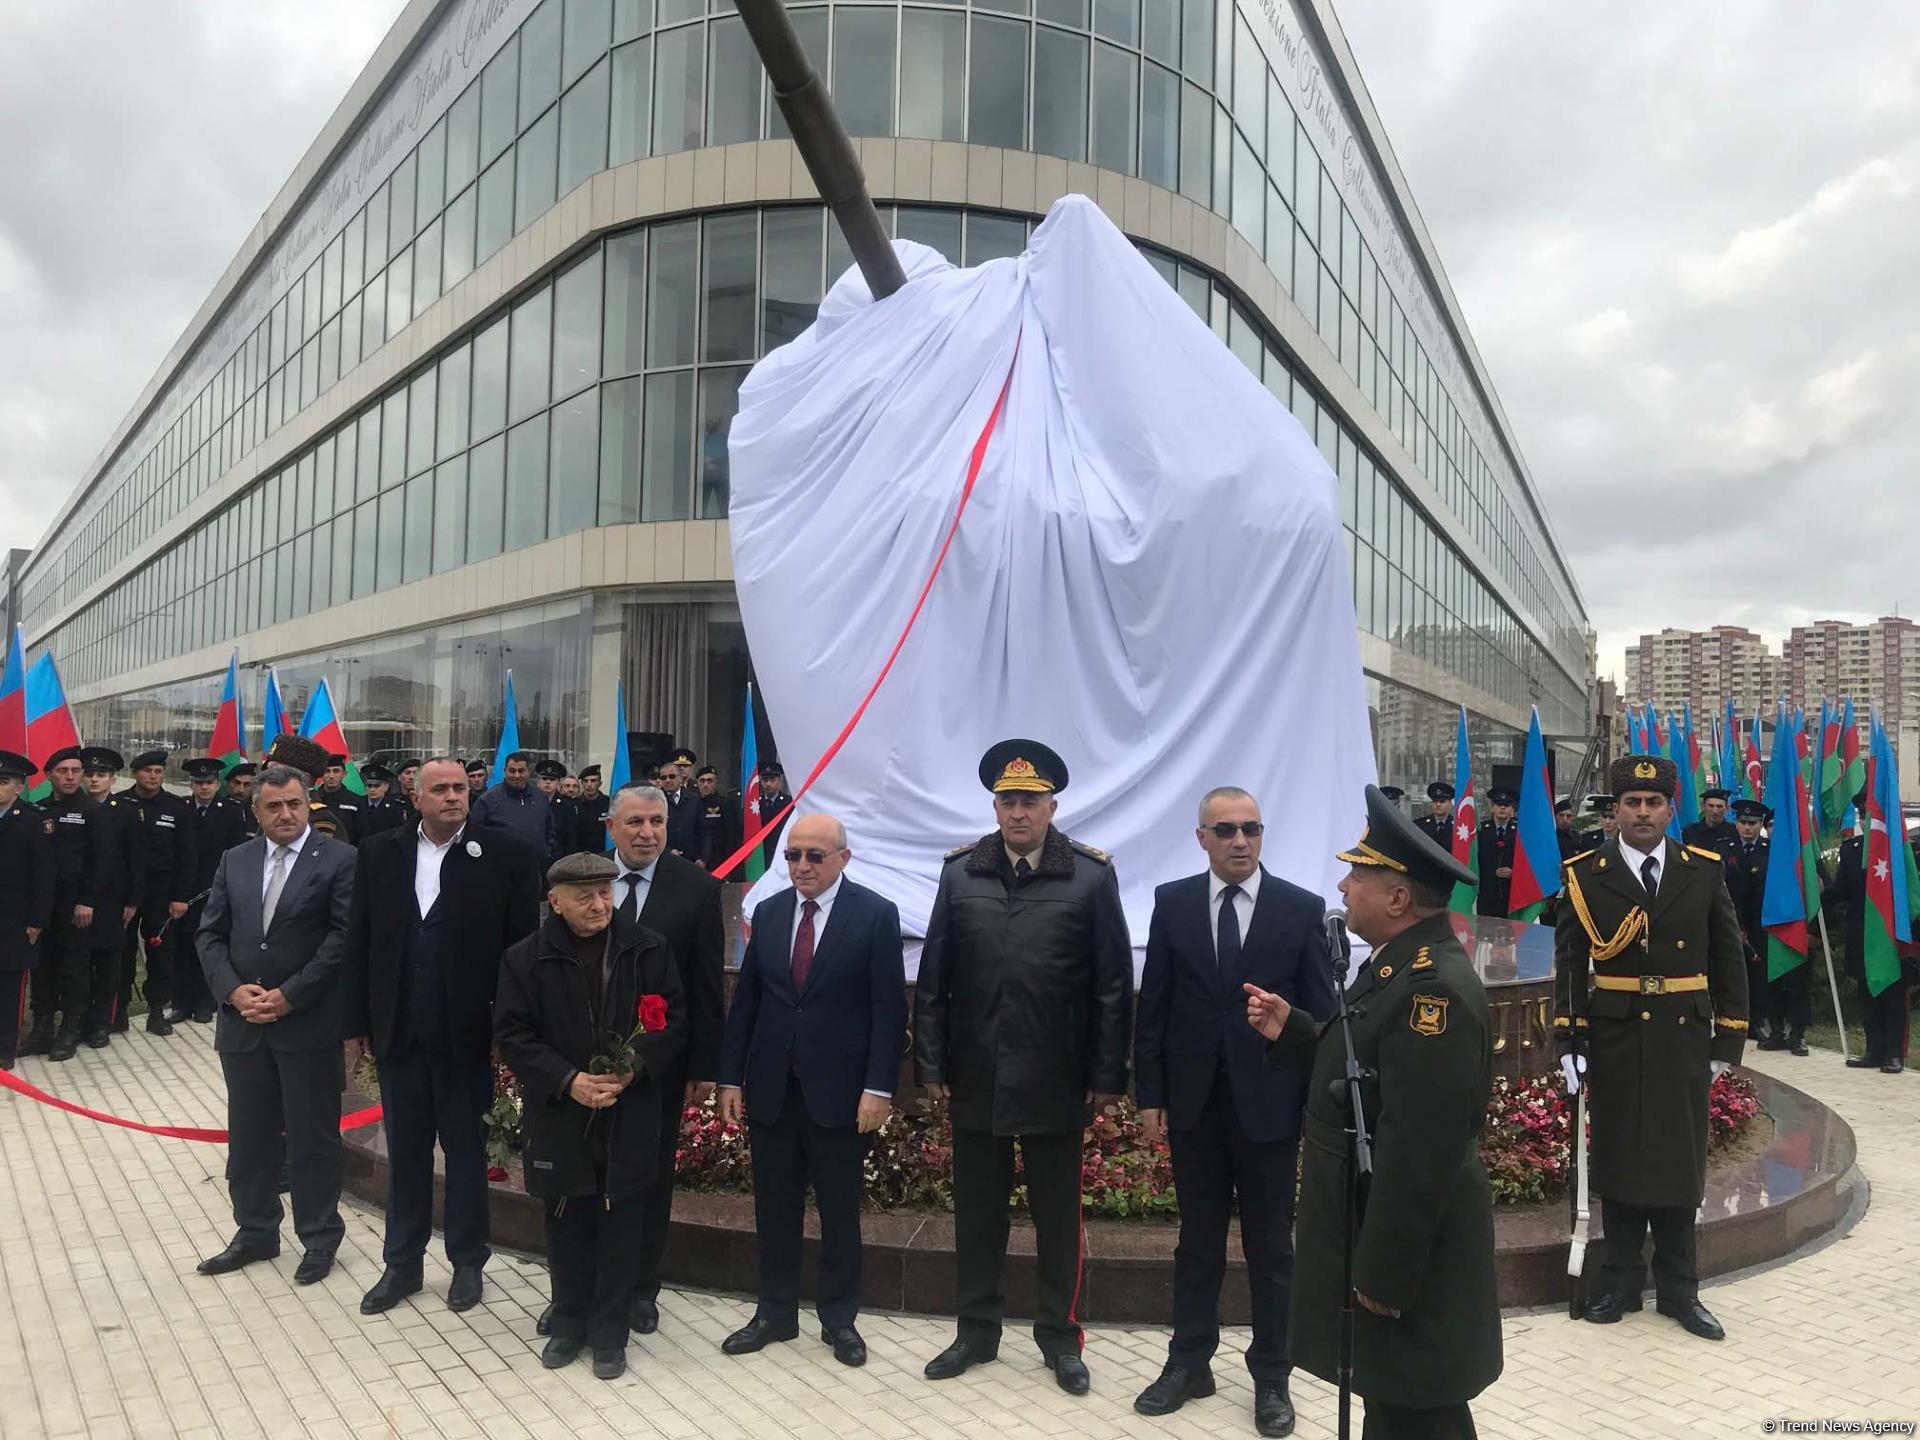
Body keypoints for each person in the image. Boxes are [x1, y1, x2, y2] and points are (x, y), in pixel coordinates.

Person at [1245, 783, 1501, 1440]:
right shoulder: (1397, 967)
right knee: (1395, 1406)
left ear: (1396, 897)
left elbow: (1422, 1145)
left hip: (1409, 1265)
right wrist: (1297, 1031)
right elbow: (1367, 1072)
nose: (1343, 885)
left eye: (1358, 872)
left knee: (1420, 1410)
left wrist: (1383, 1274)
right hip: (1384, 1245)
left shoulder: (1432, 992)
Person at [914, 740, 1133, 1396]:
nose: (1018, 813)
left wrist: (1105, 1078)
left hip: (1054, 1076)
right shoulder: (961, 874)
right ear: (995, 806)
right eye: (1008, 801)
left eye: (1030, 802)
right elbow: (934, 979)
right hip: (977, 1071)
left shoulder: (1090, 877)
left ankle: (1060, 1339)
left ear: (1052, 807)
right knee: (978, 1213)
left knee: (1056, 1218)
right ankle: (976, 1331)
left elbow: (1112, 986)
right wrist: (930, 1063)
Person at [1132, 787, 1333, 1436]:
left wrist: (1309, 1098)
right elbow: (1154, 1006)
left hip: (1270, 1108)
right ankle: (1189, 1361)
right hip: (1194, 1106)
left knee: (1272, 1249)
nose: (1239, 840)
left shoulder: (1299, 910)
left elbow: (1323, 1018)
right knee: (1197, 1244)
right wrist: (1151, 1096)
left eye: (1249, 828)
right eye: (1225, 830)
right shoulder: (1173, 903)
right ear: (1202, 839)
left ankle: (1272, 1377)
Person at [1555, 754, 1747, 1340]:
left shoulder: (1704, 869)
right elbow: (1570, 961)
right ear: (1615, 811)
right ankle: (1618, 1282)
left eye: (1653, 802)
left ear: (1670, 809)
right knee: (1619, 1152)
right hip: (1614, 1033)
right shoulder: (1587, 872)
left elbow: (1728, 954)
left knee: (1677, 1157)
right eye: (1632, 803)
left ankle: (1680, 1290)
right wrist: (1569, 1036)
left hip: (1682, 1033)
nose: (1643, 812)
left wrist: (1727, 1042)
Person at [342, 757, 540, 1315]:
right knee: (404, 1152)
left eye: (460, 787)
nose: (454, 796)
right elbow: (360, 942)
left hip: (468, 1036)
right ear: (416, 797)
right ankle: (401, 1265)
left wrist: (511, 1029)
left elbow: (522, 953)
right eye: (441, 789)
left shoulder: (506, 857)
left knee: (466, 1152)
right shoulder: (381, 854)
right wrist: (357, 1025)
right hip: (400, 1033)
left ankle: (468, 1263)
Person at [716, 813, 907, 1367]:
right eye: (794, 855)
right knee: (773, 1209)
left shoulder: (874, 915)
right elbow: (747, 1003)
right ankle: (774, 1313)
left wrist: (878, 1088)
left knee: (839, 1211)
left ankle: (839, 1318)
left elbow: (887, 1012)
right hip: (774, 1090)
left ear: (843, 859)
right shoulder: (770, 913)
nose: (801, 866)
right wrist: (731, 1077)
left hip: (842, 1097)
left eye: (814, 856)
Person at [493, 852, 688, 1380]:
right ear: (555, 902)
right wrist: (569, 1081)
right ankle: (569, 1322)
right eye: (585, 896)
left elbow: (672, 1022)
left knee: (623, 1223)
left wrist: (633, 1070)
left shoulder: (649, 949)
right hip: (560, 1113)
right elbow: (513, 1034)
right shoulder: (524, 958)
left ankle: (610, 1335)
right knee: (567, 1223)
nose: (599, 904)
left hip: (628, 1112)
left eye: (605, 892)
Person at [194, 761, 357, 1285]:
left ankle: (318, 1236)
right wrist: (231, 990)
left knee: (312, 1140)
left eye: (293, 804)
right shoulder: (234, 860)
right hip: (243, 1023)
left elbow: (343, 939)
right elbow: (210, 935)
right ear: (256, 811)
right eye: (273, 806)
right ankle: (255, 1231)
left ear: (308, 804)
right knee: (249, 1138)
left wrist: (290, 995)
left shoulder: (341, 860)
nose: (285, 814)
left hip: (305, 1024)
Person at [601, 783, 726, 1336]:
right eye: (634, 823)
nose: (647, 832)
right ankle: (578, 1284)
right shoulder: (581, 877)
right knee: (585, 1172)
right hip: (586, 1064)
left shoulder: (697, 889)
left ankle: (641, 1287)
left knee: (650, 1175)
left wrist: (703, 1066)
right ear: (611, 827)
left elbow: (705, 987)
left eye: (657, 822)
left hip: (660, 1064)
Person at [22, 747, 116, 1061]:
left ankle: (70, 1030)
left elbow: (103, 862)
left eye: (77, 771)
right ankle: (42, 1029)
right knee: (42, 966)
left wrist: (87, 900)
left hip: (76, 906)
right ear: (49, 774)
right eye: (63, 771)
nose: (71, 776)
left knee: (74, 968)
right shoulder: (38, 809)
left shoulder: (93, 811)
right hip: (43, 906)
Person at [1824, 795, 1910, 1074]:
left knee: (1893, 997)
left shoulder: (1897, 850)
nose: (1866, 820)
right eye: (1863, 815)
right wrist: (1821, 891)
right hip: (1861, 934)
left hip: (1889, 935)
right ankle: (1874, 1050)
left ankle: (1894, 1054)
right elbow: (1843, 892)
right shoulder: (1851, 850)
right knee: (1868, 994)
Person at [118, 748, 198, 1038]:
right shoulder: (120, 804)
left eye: (158, 771)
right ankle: (118, 1011)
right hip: (125, 891)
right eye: (147, 771)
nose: (153, 776)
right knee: (122, 951)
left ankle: (156, 1011)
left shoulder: (177, 808)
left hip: (162, 892)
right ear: (135, 773)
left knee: (161, 952)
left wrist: (181, 896)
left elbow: (188, 856)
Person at [177, 757, 251, 1025]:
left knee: (210, 946)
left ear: (217, 784)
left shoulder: (231, 811)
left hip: (216, 889)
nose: (204, 788)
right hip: (185, 890)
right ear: (191, 785)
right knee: (183, 947)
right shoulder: (182, 808)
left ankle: (205, 1002)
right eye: (199, 783)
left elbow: (236, 852)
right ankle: (181, 1002)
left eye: (209, 782)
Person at [80, 747, 143, 1042]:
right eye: (89, 774)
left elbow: (135, 860)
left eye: (101, 775)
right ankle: (79, 1019)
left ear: (112, 778)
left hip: (113, 901)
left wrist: (132, 900)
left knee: (108, 964)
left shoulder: (127, 812)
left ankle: (103, 1021)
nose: (94, 780)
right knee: (79, 964)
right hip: (78, 899)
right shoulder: (74, 808)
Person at [0, 750, 54, 1070]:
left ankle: (6, 1048)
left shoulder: (34, 821)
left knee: (8, 989)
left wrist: (37, 920)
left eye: (4, 782)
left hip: (15, 920)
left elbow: (44, 875)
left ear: (19, 787)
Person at [1722, 800, 1784, 1051]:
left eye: (1754, 823)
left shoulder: (1770, 850)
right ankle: (1731, 1020)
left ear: (1760, 825)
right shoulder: (1723, 849)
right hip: (1728, 921)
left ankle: (1757, 1021)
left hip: (1762, 923)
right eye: (1744, 823)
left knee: (1759, 976)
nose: (1748, 828)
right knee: (1732, 974)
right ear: (1736, 824)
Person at [471, 752, 557, 865]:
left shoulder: (540, 797)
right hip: (500, 869)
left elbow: (550, 828)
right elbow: (474, 834)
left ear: (528, 771)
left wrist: (547, 850)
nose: (516, 775)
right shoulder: (487, 800)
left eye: (521, 771)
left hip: (536, 867)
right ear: (505, 771)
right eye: (512, 771)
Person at [1475, 783, 1518, 917]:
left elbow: (1529, 863)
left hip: (1512, 896)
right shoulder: (1480, 831)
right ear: (1492, 807)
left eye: (1507, 805)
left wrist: (1514, 873)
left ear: (1512, 809)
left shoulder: (1520, 834)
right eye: (1499, 804)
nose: (1502, 808)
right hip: (1486, 895)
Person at [744, 761, 792, 877]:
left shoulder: (788, 803)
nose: (768, 784)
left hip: (780, 853)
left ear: (779, 780)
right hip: (760, 856)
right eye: (765, 780)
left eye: (772, 780)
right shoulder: (754, 804)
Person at [659, 749, 707, 863]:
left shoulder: (694, 799)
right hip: (664, 859)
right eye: (663, 778)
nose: (667, 780)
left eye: (672, 776)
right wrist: (667, 851)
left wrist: (703, 858)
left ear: (681, 778)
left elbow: (704, 832)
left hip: (692, 860)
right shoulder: (656, 800)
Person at [695, 766, 738, 870]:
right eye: (702, 781)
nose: (705, 785)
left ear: (716, 783)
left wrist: (729, 861)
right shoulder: (692, 803)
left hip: (719, 856)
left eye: (709, 781)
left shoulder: (725, 804)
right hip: (698, 856)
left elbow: (731, 833)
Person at [534, 760, 578, 857]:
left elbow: (571, 837)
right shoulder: (530, 802)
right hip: (535, 858)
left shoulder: (567, 805)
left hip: (558, 858)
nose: (548, 782)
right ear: (538, 782)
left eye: (552, 779)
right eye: (544, 779)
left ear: (558, 783)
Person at [357, 763, 412, 837]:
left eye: (377, 786)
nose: (372, 789)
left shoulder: (396, 808)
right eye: (369, 786)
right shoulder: (357, 805)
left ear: (386, 787)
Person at [316, 755, 363, 839]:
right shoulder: (311, 799)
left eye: (336, 771)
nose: (331, 776)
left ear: (344, 774)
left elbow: (361, 834)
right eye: (327, 771)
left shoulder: (356, 802)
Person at [1682, 789, 1737, 854]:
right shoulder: (1690, 832)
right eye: (1711, 806)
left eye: (1719, 807)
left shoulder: (1734, 832)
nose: (1715, 811)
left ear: (1727, 808)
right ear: (1703, 806)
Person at [1414, 781, 1454, 850]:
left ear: (1450, 804)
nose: (1438, 804)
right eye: (1435, 801)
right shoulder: (1420, 825)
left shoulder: (1457, 827)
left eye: (1442, 801)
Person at [227, 764, 261, 839]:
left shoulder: (259, 810)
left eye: (247, 784)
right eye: (236, 783)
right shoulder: (218, 809)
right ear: (228, 784)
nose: (241, 790)